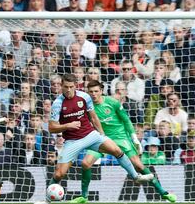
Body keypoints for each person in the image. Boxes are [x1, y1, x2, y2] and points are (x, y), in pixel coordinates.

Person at [47, 74, 154, 204]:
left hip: (90, 135)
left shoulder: (84, 97)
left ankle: (135, 177)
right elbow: (52, 128)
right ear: (61, 86)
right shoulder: (58, 103)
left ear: (75, 86)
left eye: (71, 87)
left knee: (116, 150)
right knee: (59, 174)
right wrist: (68, 125)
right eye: (65, 87)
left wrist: (102, 134)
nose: (68, 90)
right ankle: (48, 199)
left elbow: (93, 117)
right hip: (72, 141)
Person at [70, 80, 176, 203]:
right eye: (91, 92)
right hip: (101, 138)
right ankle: (84, 197)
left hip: (120, 137)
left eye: (96, 91)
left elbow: (126, 120)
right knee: (85, 163)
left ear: (101, 91)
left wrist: (134, 138)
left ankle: (163, 193)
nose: (93, 94)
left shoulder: (112, 102)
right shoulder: (87, 106)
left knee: (138, 165)